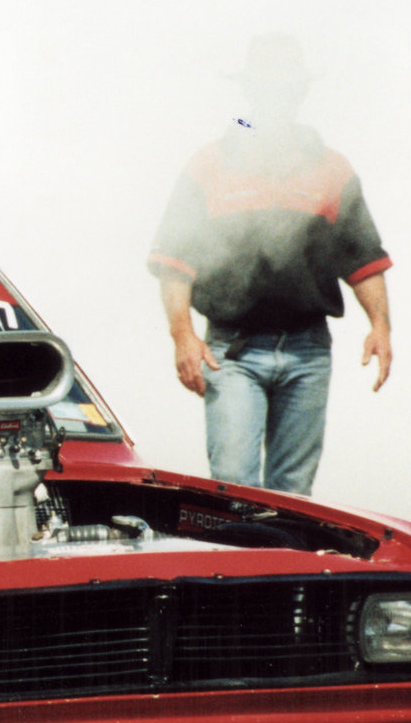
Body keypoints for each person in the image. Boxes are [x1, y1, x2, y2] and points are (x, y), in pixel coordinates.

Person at [146, 34, 392, 495]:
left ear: (300, 92)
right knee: (236, 489)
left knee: (293, 495)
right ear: (250, 92)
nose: (277, 98)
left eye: (287, 88)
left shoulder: (332, 168)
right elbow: (173, 262)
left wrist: (381, 327)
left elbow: (364, 260)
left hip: (309, 351)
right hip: (233, 353)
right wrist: (183, 336)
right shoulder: (209, 164)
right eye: (267, 89)